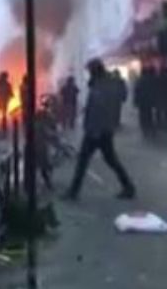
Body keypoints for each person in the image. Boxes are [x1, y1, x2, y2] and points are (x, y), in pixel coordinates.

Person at [64, 58, 136, 201]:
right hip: (103, 129)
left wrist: (94, 129)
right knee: (110, 160)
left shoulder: (102, 86)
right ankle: (128, 187)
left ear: (95, 71)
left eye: (90, 70)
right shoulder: (107, 83)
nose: (89, 74)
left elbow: (101, 108)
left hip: (96, 130)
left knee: (84, 161)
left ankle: (73, 192)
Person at [134, 67, 156, 137]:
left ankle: (145, 130)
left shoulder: (139, 80)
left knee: (143, 116)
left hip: (142, 101)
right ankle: (150, 129)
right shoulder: (152, 80)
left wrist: (136, 101)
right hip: (149, 100)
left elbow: (137, 91)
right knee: (149, 115)